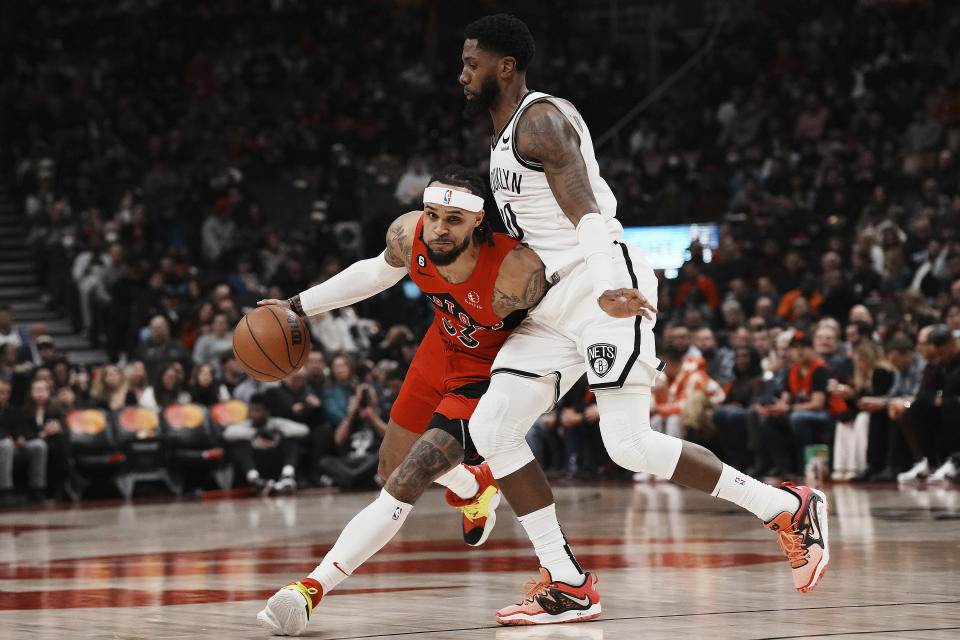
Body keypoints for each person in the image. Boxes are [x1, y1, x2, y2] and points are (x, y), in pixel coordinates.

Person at [455, 14, 829, 624]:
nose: (462, 74)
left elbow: (585, 211)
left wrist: (608, 286)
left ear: (505, 67)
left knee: (627, 445)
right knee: (493, 428)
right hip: (552, 302)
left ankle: (786, 507)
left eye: (472, 63)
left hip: (604, 285)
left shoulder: (541, 121)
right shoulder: (499, 138)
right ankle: (567, 582)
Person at [256, 167, 550, 635]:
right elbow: (375, 273)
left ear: (478, 222)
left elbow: (562, 328)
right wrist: (295, 306)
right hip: (440, 349)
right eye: (433, 214)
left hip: (487, 372)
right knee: (390, 464)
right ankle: (475, 486)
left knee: (406, 481)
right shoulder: (410, 233)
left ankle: (310, 589)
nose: (438, 227)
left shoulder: (517, 271)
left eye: (453, 219)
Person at [223, 393, 308, 495]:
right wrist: (255, 433)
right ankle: (255, 479)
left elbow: (304, 430)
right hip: (256, 463)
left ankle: (287, 476)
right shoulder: (246, 425)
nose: (254, 414)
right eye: (252, 410)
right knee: (240, 445)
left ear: (267, 412)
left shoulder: (275, 423)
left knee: (291, 441)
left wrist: (279, 431)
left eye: (258, 410)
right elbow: (227, 434)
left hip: (275, 461)